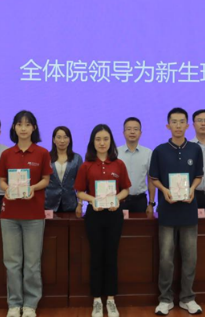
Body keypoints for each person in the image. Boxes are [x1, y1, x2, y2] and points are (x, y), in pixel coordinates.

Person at [0, 111, 52, 317]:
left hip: (34, 215)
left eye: (27, 124)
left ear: (34, 128)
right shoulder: (7, 154)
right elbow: (2, 180)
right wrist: (7, 189)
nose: (23, 128)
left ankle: (30, 304)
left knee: (32, 263)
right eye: (19, 124)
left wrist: (33, 188)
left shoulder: (42, 153)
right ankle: (14, 303)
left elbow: (46, 180)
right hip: (9, 215)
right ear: (14, 127)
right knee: (12, 262)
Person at [150, 107, 204, 315]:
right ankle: (165, 299)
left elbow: (198, 175)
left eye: (182, 122)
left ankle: (187, 298)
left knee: (190, 257)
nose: (178, 125)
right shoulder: (160, 150)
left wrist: (192, 189)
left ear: (187, 125)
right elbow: (154, 177)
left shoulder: (195, 149)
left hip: (189, 209)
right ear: (168, 125)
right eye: (174, 122)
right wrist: (164, 191)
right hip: (167, 210)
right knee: (166, 258)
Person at [74, 124, 131, 317]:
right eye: (98, 139)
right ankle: (97, 300)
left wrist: (117, 199)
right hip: (94, 215)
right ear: (92, 142)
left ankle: (111, 299)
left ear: (111, 141)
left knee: (111, 256)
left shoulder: (119, 164)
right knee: (96, 256)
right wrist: (92, 200)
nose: (102, 143)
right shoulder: (86, 165)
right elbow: (80, 191)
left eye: (105, 139)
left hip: (114, 214)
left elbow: (126, 189)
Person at [117, 117, 155, 214]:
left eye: (135, 129)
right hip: (120, 200)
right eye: (129, 129)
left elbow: (151, 180)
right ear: (123, 133)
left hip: (140, 200)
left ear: (140, 133)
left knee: (140, 224)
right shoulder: (115, 153)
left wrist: (151, 203)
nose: (132, 132)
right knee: (120, 224)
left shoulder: (148, 153)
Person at [45, 126, 83, 215]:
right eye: (59, 137)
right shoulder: (46, 157)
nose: (62, 141)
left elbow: (81, 184)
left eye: (65, 137)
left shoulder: (77, 158)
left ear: (69, 140)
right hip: (49, 203)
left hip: (70, 204)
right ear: (54, 140)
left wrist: (80, 204)